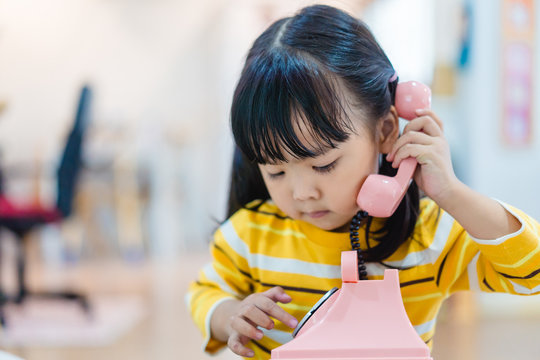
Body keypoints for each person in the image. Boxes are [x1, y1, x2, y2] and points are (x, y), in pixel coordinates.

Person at [186, 4, 540, 359]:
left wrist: (451, 192)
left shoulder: (429, 237)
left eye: (323, 165)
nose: (302, 193)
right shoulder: (250, 234)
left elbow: (532, 272)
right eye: (276, 171)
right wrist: (229, 315)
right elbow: (204, 292)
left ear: (385, 130)